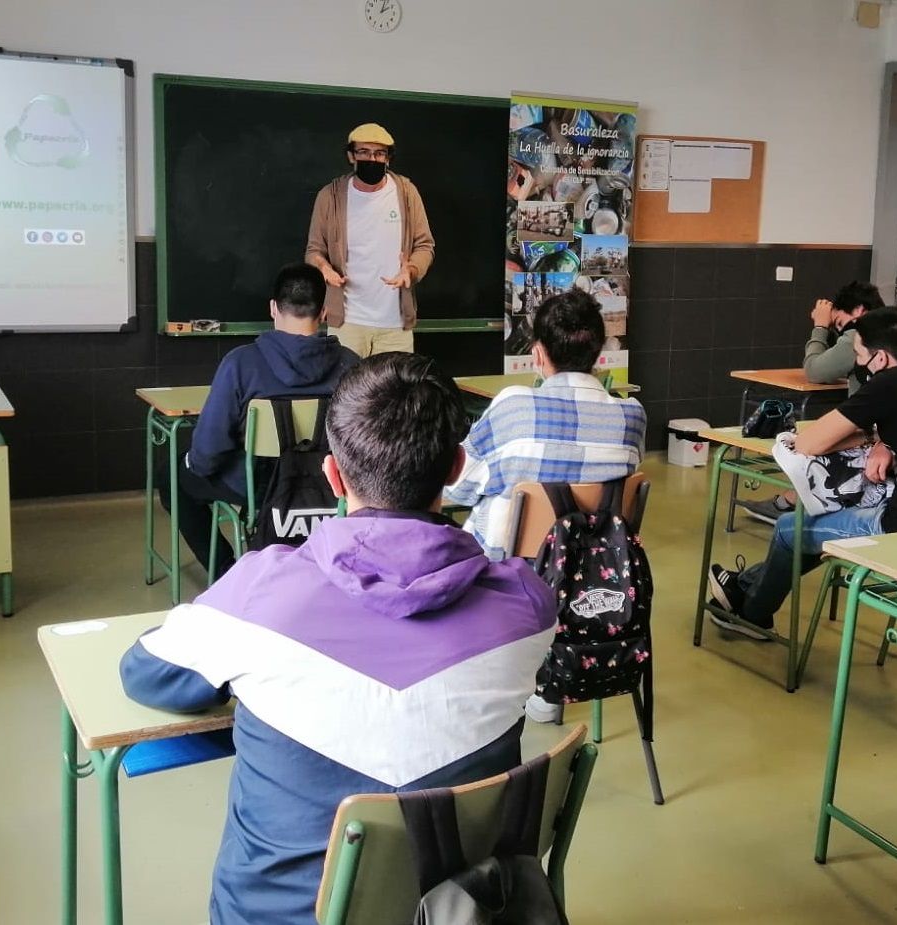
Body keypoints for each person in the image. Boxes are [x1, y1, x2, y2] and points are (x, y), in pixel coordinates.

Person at [121, 353, 557, 925]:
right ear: (455, 467)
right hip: (461, 911)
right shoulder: (526, 607)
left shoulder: (257, 594)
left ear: (332, 473)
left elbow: (145, 672)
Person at [708, 307, 897, 638]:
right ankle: (741, 587)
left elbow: (809, 443)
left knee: (790, 528)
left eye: (859, 355)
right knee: (828, 523)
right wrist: (885, 441)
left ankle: (752, 615)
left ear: (879, 360)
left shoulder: (889, 384)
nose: (858, 364)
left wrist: (868, 435)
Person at [166, 264, 358, 575]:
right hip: (330, 484)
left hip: (256, 485)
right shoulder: (351, 365)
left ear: (273, 308)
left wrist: (193, 465)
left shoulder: (241, 364)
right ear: (323, 312)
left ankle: (227, 572)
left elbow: (208, 451)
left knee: (172, 477)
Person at [445, 288, 646, 564]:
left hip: (504, 579)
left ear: (538, 355)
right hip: (595, 578)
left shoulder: (514, 405)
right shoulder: (632, 417)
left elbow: (459, 488)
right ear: (599, 354)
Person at [743, 283, 897, 524]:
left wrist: (820, 327)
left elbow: (816, 371)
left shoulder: (865, 340)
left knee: (818, 458)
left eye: (840, 325)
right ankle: (793, 501)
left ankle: (794, 504)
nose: (856, 361)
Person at [305, 123, 435, 358]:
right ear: (351, 156)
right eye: (363, 152)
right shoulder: (330, 196)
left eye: (379, 153)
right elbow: (314, 250)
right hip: (347, 322)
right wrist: (324, 268)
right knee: (347, 390)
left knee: (395, 392)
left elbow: (425, 245)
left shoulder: (406, 193)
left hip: (395, 323)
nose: (371, 159)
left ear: (388, 158)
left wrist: (412, 270)